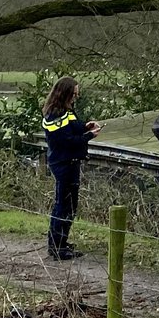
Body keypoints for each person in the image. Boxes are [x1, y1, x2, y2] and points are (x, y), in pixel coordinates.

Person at [43, 77, 101, 261]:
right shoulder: (55, 116)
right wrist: (89, 136)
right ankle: (57, 247)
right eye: (74, 94)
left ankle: (60, 242)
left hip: (70, 162)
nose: (76, 97)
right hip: (64, 164)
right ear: (65, 93)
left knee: (69, 205)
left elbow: (72, 127)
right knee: (64, 205)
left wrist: (85, 126)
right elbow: (66, 141)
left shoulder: (65, 111)